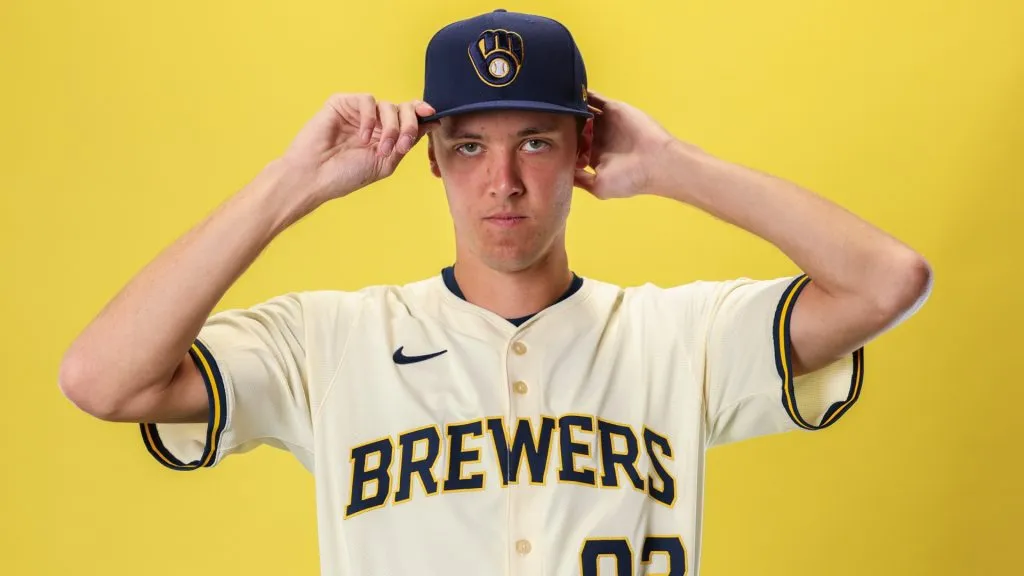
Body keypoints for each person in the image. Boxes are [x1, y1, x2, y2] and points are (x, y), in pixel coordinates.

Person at [58, 8, 932, 576]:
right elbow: (102, 379)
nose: (502, 181)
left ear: (584, 148)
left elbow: (888, 280)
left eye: (536, 142)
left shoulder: (679, 335)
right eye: (471, 146)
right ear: (432, 157)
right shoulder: (328, 342)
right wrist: (290, 183)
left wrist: (674, 165)